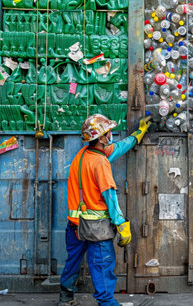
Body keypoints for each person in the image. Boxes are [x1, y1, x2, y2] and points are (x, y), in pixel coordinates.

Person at [58, 114, 151, 306]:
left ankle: (66, 298)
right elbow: (110, 196)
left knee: (73, 263)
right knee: (102, 265)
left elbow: (118, 148)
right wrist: (121, 223)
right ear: (102, 138)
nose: (111, 133)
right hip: (96, 228)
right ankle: (107, 303)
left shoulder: (83, 155)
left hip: (75, 225)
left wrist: (137, 135)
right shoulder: (100, 163)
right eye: (108, 131)